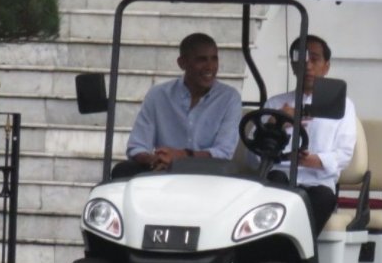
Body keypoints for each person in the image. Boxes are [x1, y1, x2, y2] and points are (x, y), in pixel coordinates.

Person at [262, 35, 357, 236]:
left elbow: (344, 153)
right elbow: (253, 156)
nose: (308, 65)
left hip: (318, 182)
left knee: (320, 199)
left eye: (314, 59)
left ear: (326, 66)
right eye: (301, 59)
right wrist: (276, 123)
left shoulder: (343, 106)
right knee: (271, 190)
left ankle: (297, 249)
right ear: (293, 65)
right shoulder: (275, 104)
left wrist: (317, 160)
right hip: (280, 177)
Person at [111, 33, 242, 178]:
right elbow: (137, 146)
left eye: (214, 59)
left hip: (208, 175)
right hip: (164, 172)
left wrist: (181, 157)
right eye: (201, 60)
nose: (210, 66)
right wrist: (155, 160)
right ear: (182, 63)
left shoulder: (229, 97)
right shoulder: (158, 95)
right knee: (122, 170)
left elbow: (223, 152)